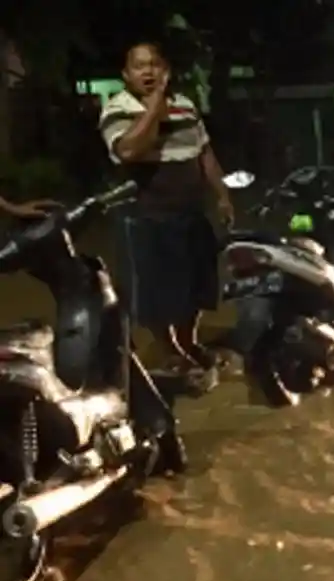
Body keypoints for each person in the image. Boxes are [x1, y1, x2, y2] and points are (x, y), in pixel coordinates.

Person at [98, 41, 233, 384]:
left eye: (154, 65)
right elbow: (129, 150)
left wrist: (222, 196)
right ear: (126, 75)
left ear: (166, 70)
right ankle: (168, 348)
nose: (148, 72)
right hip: (146, 217)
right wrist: (154, 108)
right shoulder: (117, 109)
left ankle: (188, 341)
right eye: (139, 66)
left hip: (191, 211)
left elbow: (204, 153)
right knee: (156, 292)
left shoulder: (186, 106)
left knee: (196, 285)